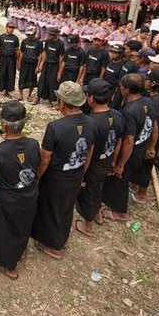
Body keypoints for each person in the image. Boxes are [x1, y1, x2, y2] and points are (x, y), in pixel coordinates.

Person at [31, 81, 95, 259]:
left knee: (51, 208)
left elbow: (45, 159)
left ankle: (54, 246)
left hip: (56, 177)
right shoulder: (91, 123)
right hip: (75, 174)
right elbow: (89, 153)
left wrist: (38, 177)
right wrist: (81, 172)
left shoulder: (55, 127)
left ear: (62, 102)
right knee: (66, 208)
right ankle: (62, 238)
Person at [0, 101, 41, 279]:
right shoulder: (33, 144)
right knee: (24, 223)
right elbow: (36, 167)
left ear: (3, 125)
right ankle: (21, 249)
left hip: (8, 198)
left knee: (5, 228)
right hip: (30, 194)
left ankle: (9, 265)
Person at [101, 74, 158, 222]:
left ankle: (120, 213)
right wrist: (151, 147)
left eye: (121, 87)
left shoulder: (129, 111)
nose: (120, 89)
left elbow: (128, 140)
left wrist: (120, 164)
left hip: (131, 152)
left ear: (126, 90)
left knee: (120, 178)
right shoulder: (148, 102)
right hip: (142, 147)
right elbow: (154, 126)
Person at [75, 79, 124, 237]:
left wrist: (82, 173)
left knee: (89, 192)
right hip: (107, 161)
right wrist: (114, 161)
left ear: (91, 98)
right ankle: (97, 213)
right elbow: (119, 141)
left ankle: (88, 225)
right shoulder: (117, 115)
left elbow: (88, 152)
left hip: (93, 165)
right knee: (98, 188)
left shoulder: (90, 122)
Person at [129, 68, 159, 203]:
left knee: (146, 165)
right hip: (152, 137)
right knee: (142, 165)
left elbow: (154, 126)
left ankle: (142, 194)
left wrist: (151, 147)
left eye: (146, 79)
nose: (144, 81)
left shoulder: (156, 102)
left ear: (152, 83)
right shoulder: (158, 97)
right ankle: (135, 185)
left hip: (153, 138)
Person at [35, 28, 64, 107]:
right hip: (47, 64)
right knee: (42, 81)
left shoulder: (60, 44)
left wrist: (59, 71)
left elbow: (61, 57)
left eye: (51, 34)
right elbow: (45, 53)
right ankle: (38, 98)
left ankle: (50, 100)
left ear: (55, 35)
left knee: (52, 83)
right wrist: (41, 64)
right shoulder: (48, 42)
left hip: (55, 65)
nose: (49, 36)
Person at [0, 22, 19, 99]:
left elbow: (17, 50)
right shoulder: (1, 37)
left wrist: (18, 62)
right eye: (9, 27)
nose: (11, 29)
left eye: (12, 28)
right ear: (6, 27)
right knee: (1, 74)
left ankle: (7, 91)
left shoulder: (15, 38)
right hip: (3, 58)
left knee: (10, 75)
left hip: (12, 59)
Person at [18, 26, 43, 102]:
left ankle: (29, 95)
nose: (29, 36)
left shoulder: (39, 43)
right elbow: (21, 52)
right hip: (24, 62)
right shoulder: (24, 41)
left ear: (35, 33)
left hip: (34, 63)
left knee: (32, 79)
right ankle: (20, 94)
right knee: (22, 78)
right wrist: (19, 63)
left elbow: (40, 55)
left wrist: (38, 66)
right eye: (28, 35)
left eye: (31, 35)